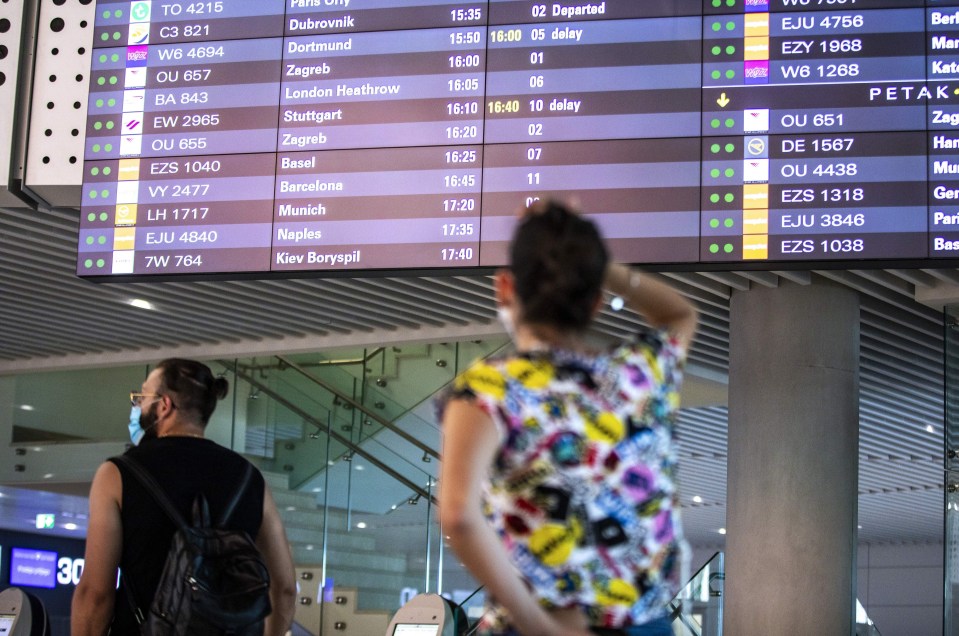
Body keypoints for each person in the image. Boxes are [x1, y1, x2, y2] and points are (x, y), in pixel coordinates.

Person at [438, 201, 698, 636]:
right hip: (642, 624)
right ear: (596, 300)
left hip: (538, 625)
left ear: (505, 288)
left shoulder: (488, 389)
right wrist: (594, 264)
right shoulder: (642, 374)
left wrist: (537, 624)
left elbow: (459, 516)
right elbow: (680, 314)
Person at [71, 358, 297, 636]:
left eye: (142, 397)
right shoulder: (249, 478)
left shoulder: (117, 474)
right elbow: (284, 588)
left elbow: (95, 594)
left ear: (164, 406)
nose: (138, 405)